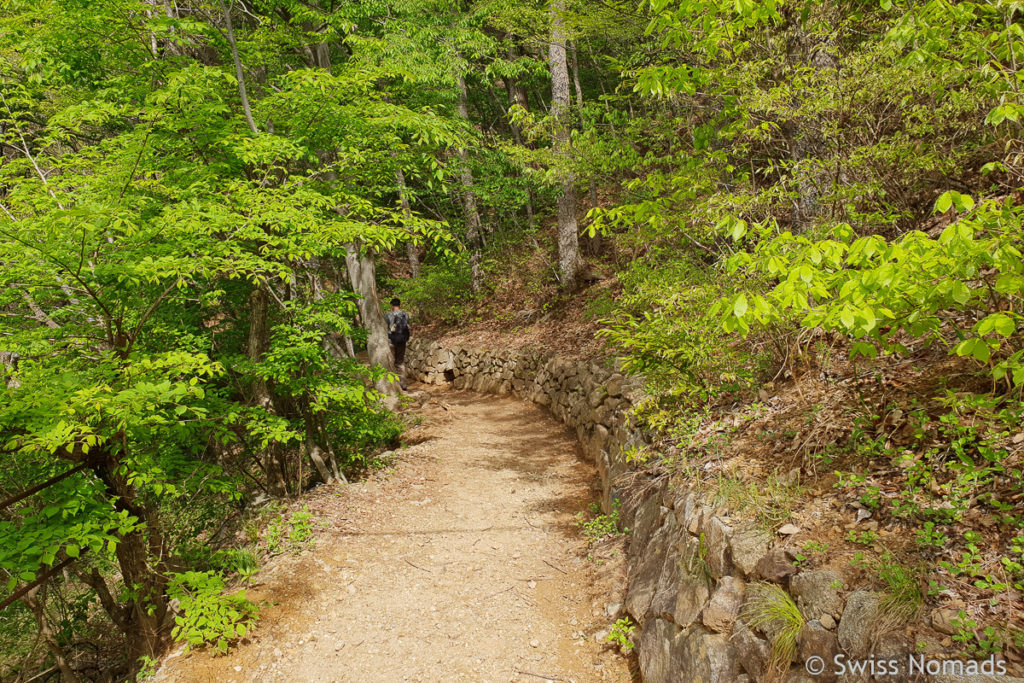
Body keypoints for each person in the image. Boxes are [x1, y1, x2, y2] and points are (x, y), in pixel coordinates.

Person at [384, 297, 410, 390]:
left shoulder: (388, 315)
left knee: (391, 362)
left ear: (391, 305)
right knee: (400, 362)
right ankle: (403, 385)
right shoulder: (405, 315)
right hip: (402, 341)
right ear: (400, 305)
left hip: (391, 341)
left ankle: (394, 385)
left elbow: (386, 328)